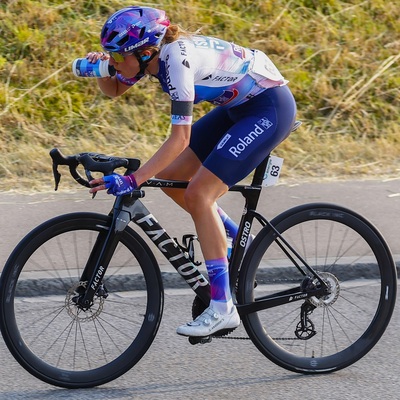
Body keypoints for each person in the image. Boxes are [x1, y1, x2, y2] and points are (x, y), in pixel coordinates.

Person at [87, 6, 297, 337]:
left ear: (144, 52)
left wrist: (132, 180)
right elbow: (114, 89)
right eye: (110, 55)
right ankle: (235, 243)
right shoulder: (149, 58)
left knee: (199, 193)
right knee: (173, 181)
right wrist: (102, 69)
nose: (113, 61)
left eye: (116, 55)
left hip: (267, 108)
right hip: (237, 109)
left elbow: (179, 138)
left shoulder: (176, 61)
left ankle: (222, 307)